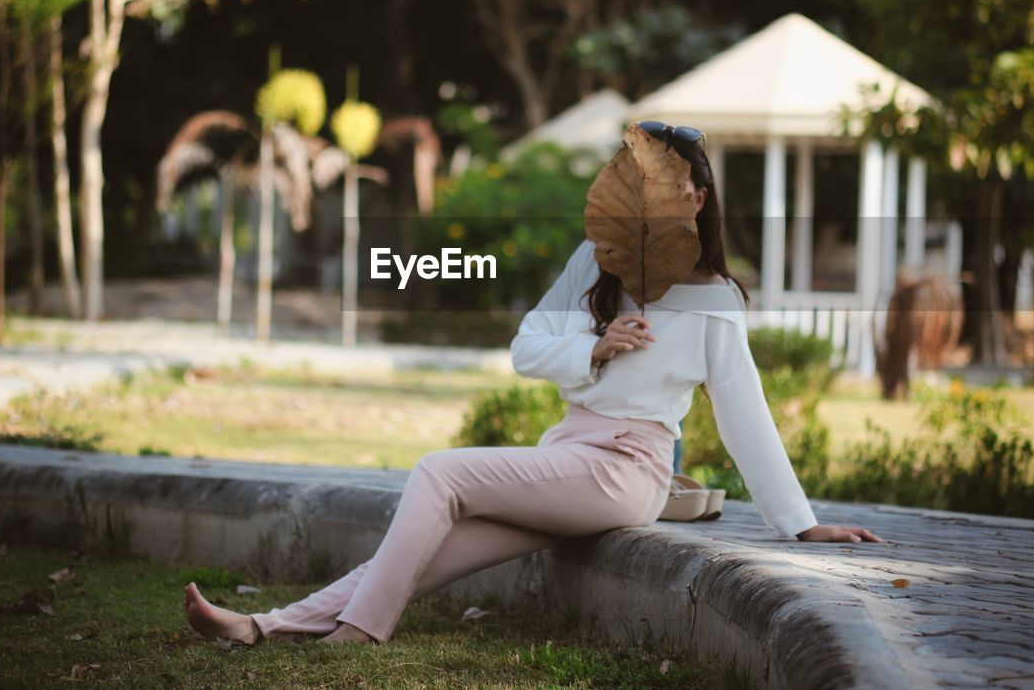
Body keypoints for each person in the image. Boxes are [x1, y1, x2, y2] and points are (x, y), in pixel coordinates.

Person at [182, 121, 883, 648]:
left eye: (671, 186)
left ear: (699, 197)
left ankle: (361, 632)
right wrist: (595, 345)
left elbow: (744, 413)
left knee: (437, 472)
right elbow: (528, 346)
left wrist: (800, 521)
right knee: (423, 549)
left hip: (625, 470)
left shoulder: (715, 301)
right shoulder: (595, 260)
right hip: (568, 453)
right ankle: (260, 625)